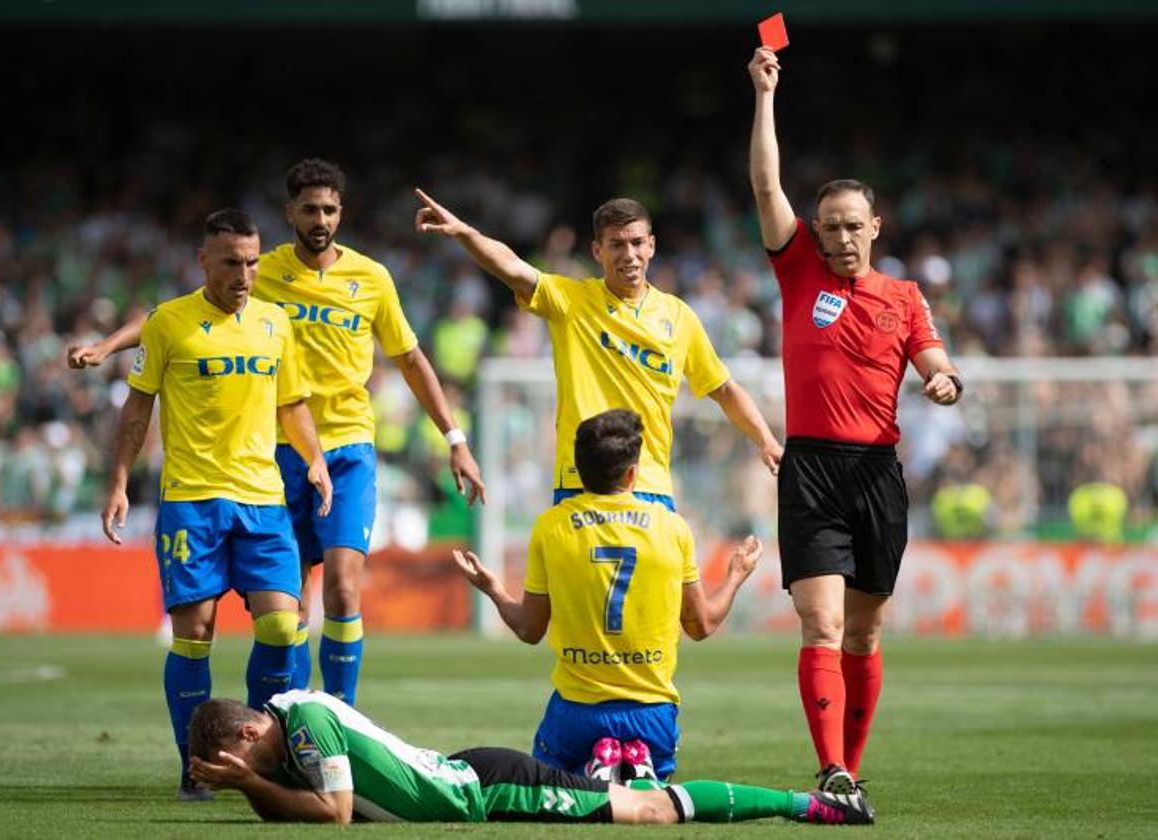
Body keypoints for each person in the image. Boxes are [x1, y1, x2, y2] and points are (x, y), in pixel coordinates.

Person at [72, 159, 485, 707]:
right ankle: (277, 722)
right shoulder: (256, 269)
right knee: (286, 612)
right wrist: (105, 347)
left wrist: (455, 439)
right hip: (275, 457)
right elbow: (165, 317)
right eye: (310, 208)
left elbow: (411, 360)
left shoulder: (372, 279)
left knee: (342, 587)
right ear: (290, 211)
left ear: (342, 213)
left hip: (347, 450)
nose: (321, 219)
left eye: (331, 209)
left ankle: (340, 722)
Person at [747, 47, 964, 794]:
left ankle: (853, 771)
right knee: (823, 627)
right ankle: (832, 768)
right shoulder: (797, 265)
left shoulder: (902, 296)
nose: (840, 238)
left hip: (876, 473)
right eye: (829, 226)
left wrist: (943, 382)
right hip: (810, 468)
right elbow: (766, 182)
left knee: (865, 634)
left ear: (876, 226)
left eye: (852, 226)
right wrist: (765, 94)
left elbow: (933, 357)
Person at [101, 209, 333, 800]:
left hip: (263, 501)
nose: (245, 274)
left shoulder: (276, 324)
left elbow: (294, 404)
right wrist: (120, 481)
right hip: (192, 501)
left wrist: (316, 459)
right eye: (232, 262)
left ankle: (261, 758)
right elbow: (137, 408)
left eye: (253, 262)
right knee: (195, 633)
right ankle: (195, 767)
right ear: (203, 261)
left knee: (284, 628)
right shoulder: (168, 324)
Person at [415, 189, 782, 513]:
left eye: (637, 243)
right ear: (597, 251)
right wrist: (464, 232)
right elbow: (511, 266)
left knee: (654, 593)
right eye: (617, 245)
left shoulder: (679, 317)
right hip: (581, 481)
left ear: (652, 246)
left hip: (648, 482)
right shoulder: (572, 301)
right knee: (577, 594)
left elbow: (723, 388)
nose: (630, 254)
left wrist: (765, 440)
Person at [454, 409, 761, 783]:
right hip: (652, 712)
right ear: (633, 472)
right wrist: (735, 575)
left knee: (553, 789)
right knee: (652, 799)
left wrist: (494, 590)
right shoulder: (672, 528)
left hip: (577, 712)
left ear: (578, 469)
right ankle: (634, 762)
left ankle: (596, 766)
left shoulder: (551, 527)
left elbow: (529, 629)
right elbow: (702, 624)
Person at [186, 690, 875, 825]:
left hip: (489, 791)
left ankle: (817, 806)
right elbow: (292, 812)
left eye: (243, 761)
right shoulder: (290, 732)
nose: (256, 773)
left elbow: (332, 815)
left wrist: (248, 783)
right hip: (469, 776)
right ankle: (611, 769)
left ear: (248, 736)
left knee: (651, 813)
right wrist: (253, 784)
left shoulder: (303, 722)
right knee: (617, 796)